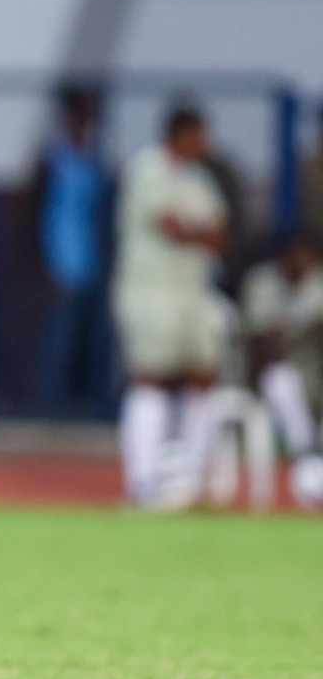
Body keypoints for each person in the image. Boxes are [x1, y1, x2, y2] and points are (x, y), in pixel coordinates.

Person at [113, 105, 229, 508]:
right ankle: (142, 483)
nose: (206, 144)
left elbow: (219, 235)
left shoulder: (200, 180)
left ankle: (189, 483)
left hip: (193, 290)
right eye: (199, 135)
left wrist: (195, 231)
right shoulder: (148, 169)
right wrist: (198, 231)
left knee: (203, 376)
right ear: (179, 134)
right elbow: (170, 226)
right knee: (151, 377)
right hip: (150, 289)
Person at [27, 85, 113, 416]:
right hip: (62, 261)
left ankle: (94, 405)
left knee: (96, 340)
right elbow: (33, 210)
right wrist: (41, 264)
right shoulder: (54, 155)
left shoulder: (94, 154)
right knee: (61, 338)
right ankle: (51, 406)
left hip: (93, 261)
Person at [241, 235, 323, 464]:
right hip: (269, 373)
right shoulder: (262, 281)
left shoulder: (318, 281)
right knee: (281, 379)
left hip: (314, 367)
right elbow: (262, 343)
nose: (302, 262)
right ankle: (305, 452)